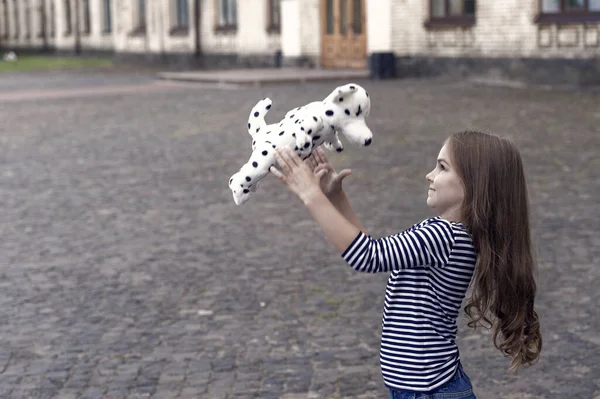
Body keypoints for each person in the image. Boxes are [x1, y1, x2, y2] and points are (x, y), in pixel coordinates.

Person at [269, 131, 542, 399]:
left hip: (430, 391)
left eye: (442, 167)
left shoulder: (443, 236)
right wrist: (335, 197)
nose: (429, 175)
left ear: (474, 184)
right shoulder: (445, 233)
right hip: (423, 388)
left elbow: (366, 256)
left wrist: (311, 195)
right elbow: (375, 251)